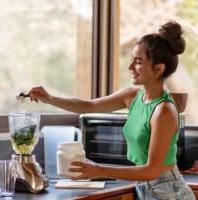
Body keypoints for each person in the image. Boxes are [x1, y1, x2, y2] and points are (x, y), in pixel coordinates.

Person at [29, 20, 195, 199]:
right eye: (131, 59)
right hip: (145, 188)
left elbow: (152, 171)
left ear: (159, 68)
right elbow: (88, 106)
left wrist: (99, 170)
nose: (130, 67)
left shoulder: (164, 111)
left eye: (138, 62)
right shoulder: (132, 96)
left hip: (169, 191)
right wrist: (50, 99)